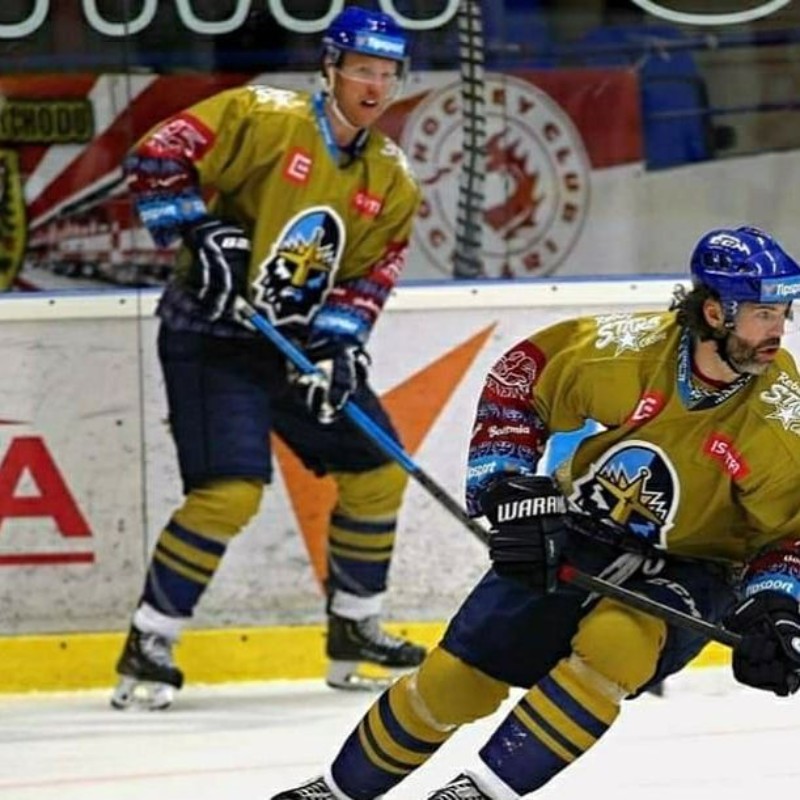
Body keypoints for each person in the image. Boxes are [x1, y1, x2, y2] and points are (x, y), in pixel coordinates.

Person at [270, 225, 800, 800]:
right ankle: (335, 792)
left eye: (782, 312)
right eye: (763, 314)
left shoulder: (781, 417)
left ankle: (479, 793)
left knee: (616, 644)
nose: (778, 330)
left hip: (696, 566)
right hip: (581, 530)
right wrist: (507, 486)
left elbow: (790, 532)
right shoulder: (628, 351)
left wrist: (775, 605)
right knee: (455, 681)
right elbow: (521, 378)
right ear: (716, 312)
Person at [111, 6, 426, 710]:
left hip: (296, 348)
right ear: (330, 68)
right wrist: (198, 229)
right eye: (362, 70)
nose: (375, 86)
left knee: (378, 470)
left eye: (387, 74)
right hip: (213, 337)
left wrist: (339, 341)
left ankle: (354, 632)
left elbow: (372, 271)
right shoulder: (262, 116)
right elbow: (158, 155)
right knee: (230, 492)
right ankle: (149, 641)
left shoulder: (391, 176)